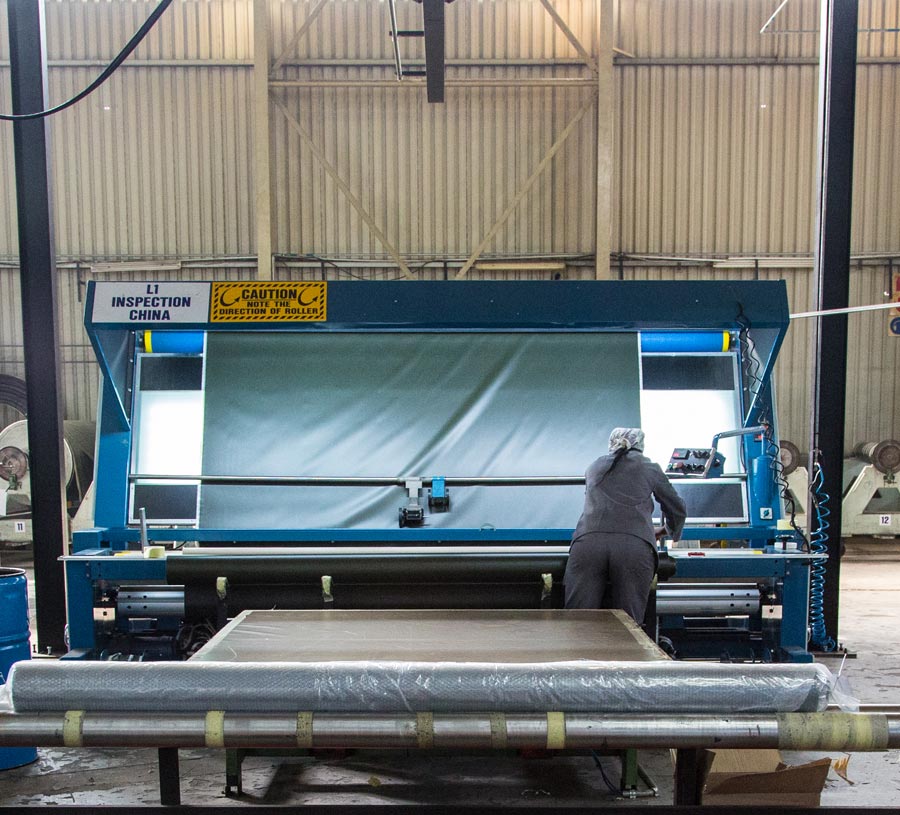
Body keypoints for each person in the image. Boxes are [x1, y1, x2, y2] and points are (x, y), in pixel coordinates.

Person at [564, 427, 687, 623]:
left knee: (578, 620)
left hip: (588, 545)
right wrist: (669, 531)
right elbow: (677, 508)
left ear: (612, 443)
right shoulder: (649, 467)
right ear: (640, 445)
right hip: (633, 547)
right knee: (628, 623)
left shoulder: (595, 466)